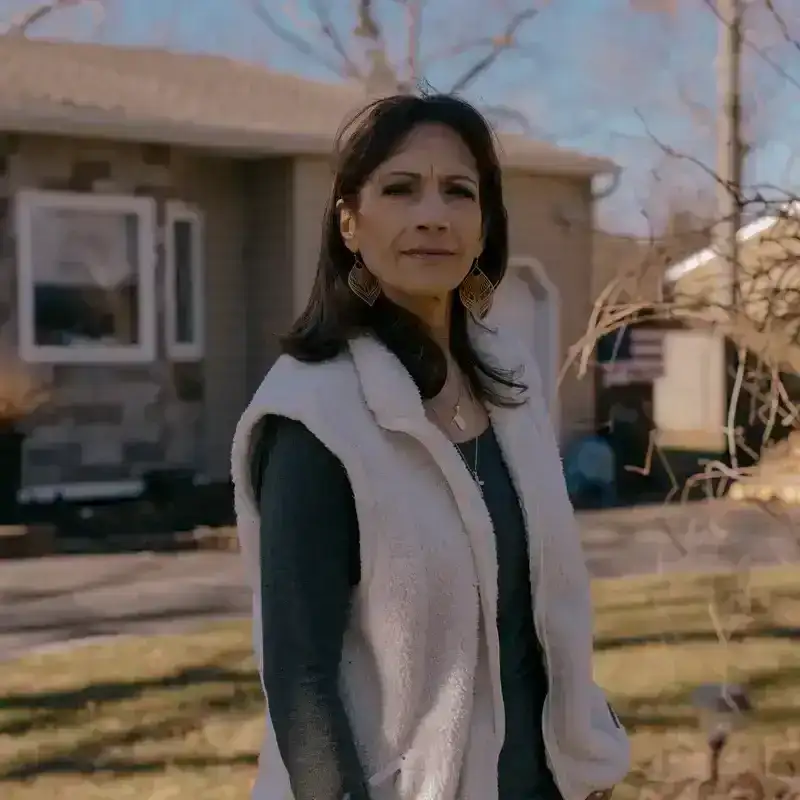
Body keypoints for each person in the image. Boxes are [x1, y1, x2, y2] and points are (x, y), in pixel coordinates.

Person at [231, 93, 630, 800]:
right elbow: (301, 679)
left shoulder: (512, 384)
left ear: (484, 226)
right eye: (400, 189)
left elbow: (543, 613)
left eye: (459, 191)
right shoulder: (314, 414)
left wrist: (588, 748)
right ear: (350, 222)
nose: (432, 215)